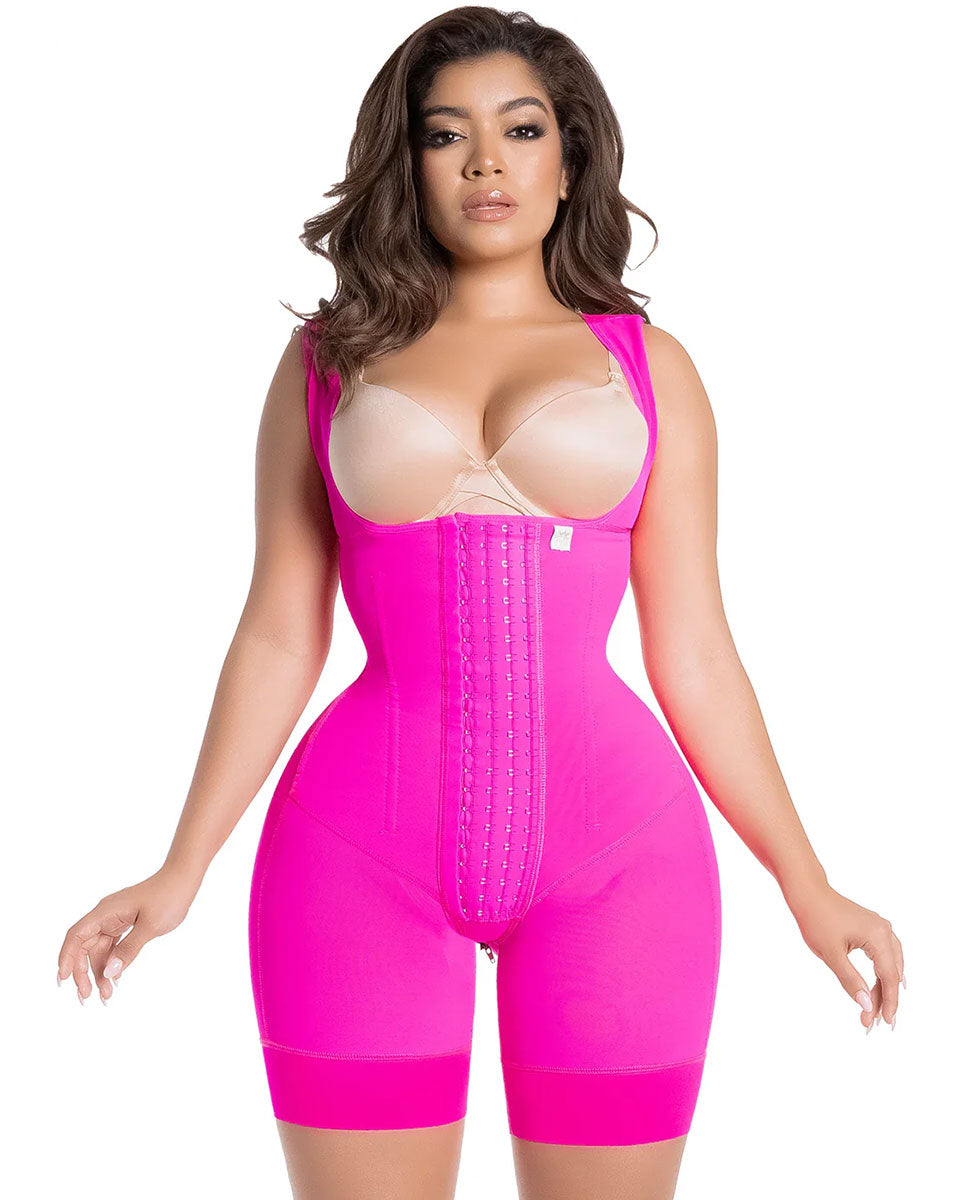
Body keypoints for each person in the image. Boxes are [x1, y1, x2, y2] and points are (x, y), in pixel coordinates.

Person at [56, 8, 904, 1198]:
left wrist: (805, 883)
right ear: (405, 165)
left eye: (521, 129)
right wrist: (178, 866)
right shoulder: (328, 363)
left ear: (569, 158)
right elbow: (278, 631)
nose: (485, 163)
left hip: (620, 860)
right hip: (352, 857)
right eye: (444, 134)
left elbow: (696, 651)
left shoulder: (649, 369)